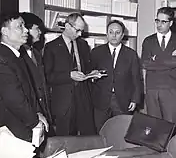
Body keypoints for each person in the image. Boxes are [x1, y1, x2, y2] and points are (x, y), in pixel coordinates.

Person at [43, 13, 102, 136]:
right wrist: (69, 75)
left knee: (88, 136)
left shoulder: (83, 45)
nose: (80, 34)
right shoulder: (51, 47)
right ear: (68, 26)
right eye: (78, 30)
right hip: (64, 103)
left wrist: (92, 74)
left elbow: (87, 69)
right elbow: (47, 77)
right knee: (66, 139)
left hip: (83, 99)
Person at [0, 13, 46, 144]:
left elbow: (29, 91)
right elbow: (13, 98)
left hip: (20, 125)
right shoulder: (2, 58)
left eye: (25, 26)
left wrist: (38, 113)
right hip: (11, 130)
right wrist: (34, 122)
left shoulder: (16, 55)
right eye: (20, 26)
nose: (26, 30)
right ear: (5, 31)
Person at [91, 19, 142, 132]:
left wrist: (134, 100)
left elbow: (136, 79)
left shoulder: (131, 54)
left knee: (121, 131)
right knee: (101, 132)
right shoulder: (96, 52)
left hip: (123, 100)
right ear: (106, 34)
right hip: (101, 100)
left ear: (123, 35)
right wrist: (93, 77)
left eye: (117, 32)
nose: (114, 35)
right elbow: (89, 74)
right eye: (111, 32)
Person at [141, 7, 176, 126]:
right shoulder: (148, 41)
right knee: (153, 127)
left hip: (171, 90)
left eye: (163, 22)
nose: (159, 25)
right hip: (152, 90)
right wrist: (167, 59)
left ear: (171, 23)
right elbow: (145, 63)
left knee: (171, 126)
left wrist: (155, 59)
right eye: (157, 21)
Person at [19, 12, 52, 134]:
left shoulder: (37, 53)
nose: (40, 32)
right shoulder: (17, 55)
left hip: (42, 111)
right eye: (37, 28)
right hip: (28, 115)